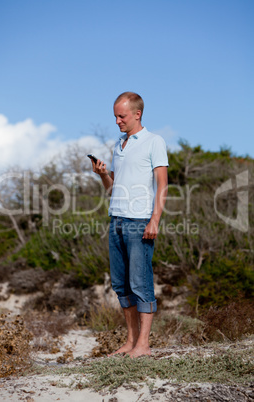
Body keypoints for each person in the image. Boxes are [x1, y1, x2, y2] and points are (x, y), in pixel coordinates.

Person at [91, 92, 168, 358]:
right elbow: (113, 188)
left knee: (140, 283)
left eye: (121, 116)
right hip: (117, 220)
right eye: (115, 116)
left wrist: (154, 219)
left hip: (140, 221)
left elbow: (162, 184)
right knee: (121, 285)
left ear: (137, 114)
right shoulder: (118, 145)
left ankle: (144, 346)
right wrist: (103, 175)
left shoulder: (154, 142)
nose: (117, 121)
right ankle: (131, 342)